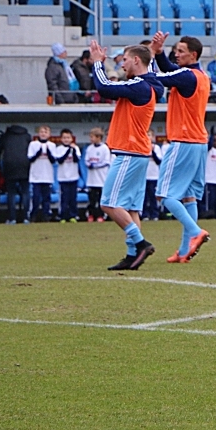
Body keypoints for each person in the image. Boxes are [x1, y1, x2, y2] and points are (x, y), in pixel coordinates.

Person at [88, 41, 164, 269]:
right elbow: (147, 67)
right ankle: (132, 255)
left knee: (108, 203)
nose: (122, 64)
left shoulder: (139, 86)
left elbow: (104, 88)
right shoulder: (150, 83)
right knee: (130, 208)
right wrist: (151, 50)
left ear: (136, 61)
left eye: (125, 59)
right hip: (138, 151)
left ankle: (140, 244)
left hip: (129, 151)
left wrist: (98, 64)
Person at [151, 32, 212, 263]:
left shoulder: (187, 76)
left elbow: (163, 76)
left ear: (193, 55)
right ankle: (185, 249)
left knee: (166, 195)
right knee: (189, 198)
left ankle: (196, 232)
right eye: (175, 50)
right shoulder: (200, 76)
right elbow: (168, 70)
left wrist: (148, 59)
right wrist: (158, 53)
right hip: (198, 142)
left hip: (183, 140)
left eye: (180, 51)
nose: (176, 54)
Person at [0, 123, 31, 224]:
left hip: (9, 167)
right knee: (25, 192)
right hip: (25, 166)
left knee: (11, 193)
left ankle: (12, 218)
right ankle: (26, 218)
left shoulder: (6, 137)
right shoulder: (27, 136)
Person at [27, 125, 56, 222]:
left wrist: (48, 152)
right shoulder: (33, 144)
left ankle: (46, 216)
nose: (43, 134)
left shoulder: (52, 145)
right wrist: (38, 153)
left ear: (49, 134)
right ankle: (33, 216)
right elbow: (30, 159)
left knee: (46, 199)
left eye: (45, 132)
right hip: (36, 176)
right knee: (36, 198)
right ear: (38, 133)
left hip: (47, 176)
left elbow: (53, 160)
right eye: (41, 132)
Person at [54, 129, 82, 223]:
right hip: (63, 177)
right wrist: (68, 151)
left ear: (71, 138)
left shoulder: (76, 148)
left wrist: (72, 150)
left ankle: (73, 215)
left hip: (74, 177)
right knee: (64, 198)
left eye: (68, 137)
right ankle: (63, 216)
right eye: (64, 138)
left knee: (73, 198)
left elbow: (76, 160)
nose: (66, 139)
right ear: (61, 139)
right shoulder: (58, 149)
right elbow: (60, 160)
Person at [84, 127, 110, 222]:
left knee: (101, 200)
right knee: (92, 199)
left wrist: (95, 165)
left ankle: (100, 215)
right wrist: (89, 164)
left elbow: (106, 162)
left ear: (99, 137)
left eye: (92, 137)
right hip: (91, 180)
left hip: (101, 180)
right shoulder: (89, 148)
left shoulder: (105, 148)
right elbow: (86, 160)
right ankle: (91, 215)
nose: (91, 139)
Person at [143, 130, 164, 221]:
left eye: (149, 135)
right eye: (146, 135)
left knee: (153, 196)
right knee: (144, 197)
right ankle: (144, 214)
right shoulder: (141, 148)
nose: (148, 137)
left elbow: (159, 161)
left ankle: (154, 214)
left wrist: (152, 151)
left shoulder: (156, 148)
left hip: (154, 176)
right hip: (144, 176)